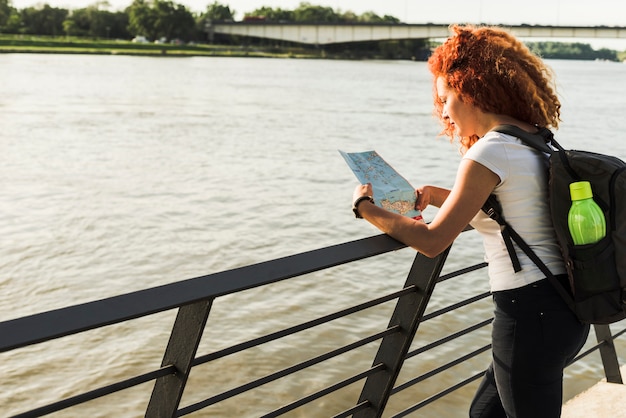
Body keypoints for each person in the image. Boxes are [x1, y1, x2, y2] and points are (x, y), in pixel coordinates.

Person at [350, 24, 589, 418]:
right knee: (484, 414)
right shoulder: (531, 139)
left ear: (468, 89)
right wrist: (439, 196)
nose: (442, 111)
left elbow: (432, 241)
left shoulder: (489, 152)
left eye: (445, 99)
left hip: (529, 313)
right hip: (564, 307)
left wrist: (366, 208)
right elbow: (513, 207)